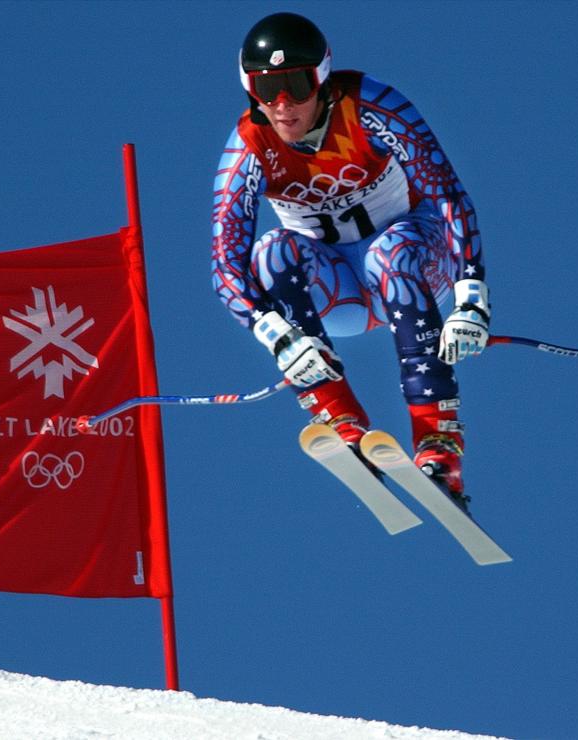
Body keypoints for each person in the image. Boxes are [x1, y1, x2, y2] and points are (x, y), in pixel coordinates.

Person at [211, 12, 489, 511]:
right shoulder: (250, 147)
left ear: (321, 78)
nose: (282, 104)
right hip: (336, 288)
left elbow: (446, 193)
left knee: (389, 252)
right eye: (265, 87)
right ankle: (340, 419)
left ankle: (438, 443)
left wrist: (471, 297)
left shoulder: (370, 107)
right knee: (271, 251)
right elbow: (226, 265)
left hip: (418, 262)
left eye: (296, 84)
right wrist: (278, 338)